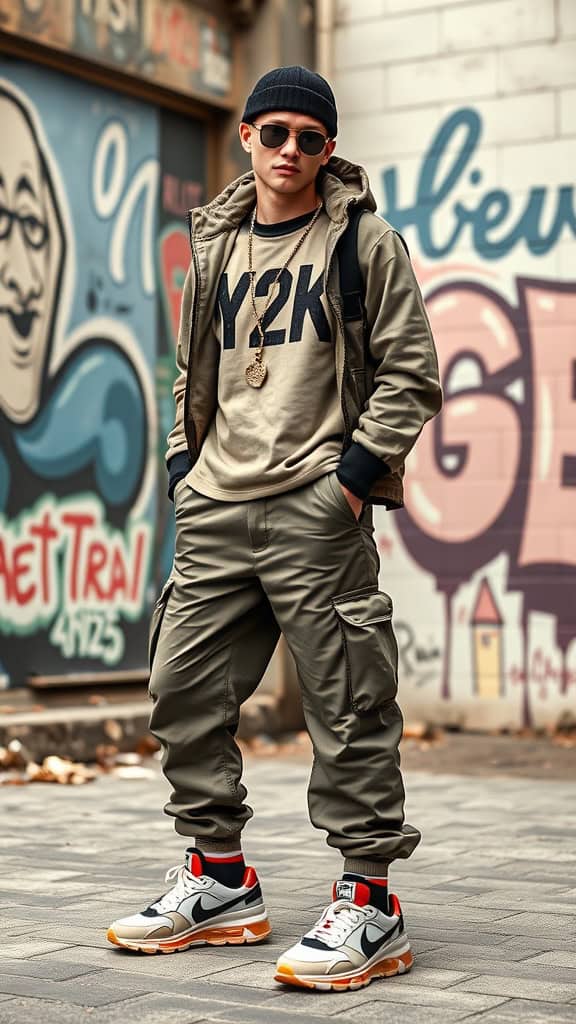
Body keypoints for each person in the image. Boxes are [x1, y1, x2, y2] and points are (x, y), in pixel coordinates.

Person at [107, 65, 442, 992]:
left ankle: (370, 901)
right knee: (180, 689)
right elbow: (191, 373)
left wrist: (353, 480)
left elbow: (412, 372)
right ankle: (218, 879)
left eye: (310, 136)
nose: (291, 150)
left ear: (328, 149)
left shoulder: (364, 243)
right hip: (217, 503)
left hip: (313, 504)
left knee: (348, 703)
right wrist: (185, 470)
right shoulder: (214, 244)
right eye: (276, 131)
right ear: (246, 136)